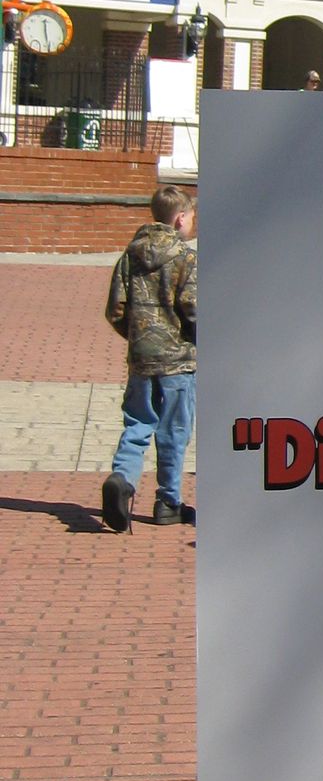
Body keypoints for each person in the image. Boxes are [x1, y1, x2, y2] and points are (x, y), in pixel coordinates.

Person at [101, 185, 199, 531]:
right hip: (178, 361)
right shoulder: (186, 259)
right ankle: (168, 501)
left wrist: (137, 338)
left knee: (138, 422)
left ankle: (122, 479)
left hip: (141, 360)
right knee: (174, 430)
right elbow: (193, 309)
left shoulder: (130, 257)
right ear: (180, 218)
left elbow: (115, 309)